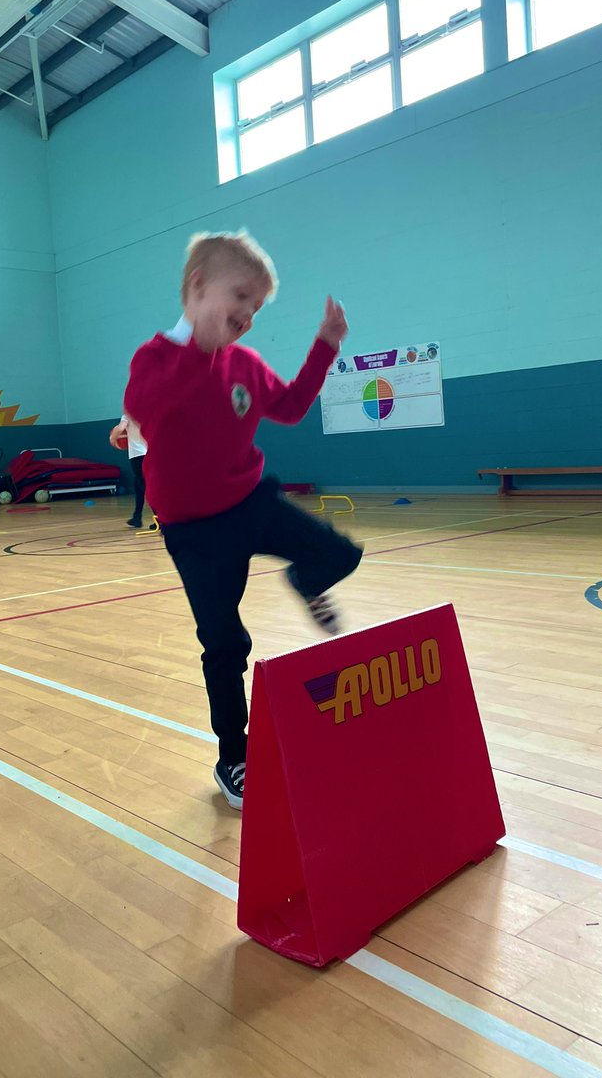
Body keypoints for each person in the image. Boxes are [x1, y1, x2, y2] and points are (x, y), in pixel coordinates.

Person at [123, 230, 363, 810]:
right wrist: (195, 353)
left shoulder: (245, 365)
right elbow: (145, 409)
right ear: (198, 287)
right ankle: (235, 755)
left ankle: (305, 581)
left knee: (340, 553)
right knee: (225, 642)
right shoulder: (155, 359)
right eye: (241, 299)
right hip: (193, 531)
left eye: (257, 308)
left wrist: (325, 346)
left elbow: (290, 407)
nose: (249, 316)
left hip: (249, 501)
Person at [109, 414, 148, 528]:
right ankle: (137, 517)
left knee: (143, 486)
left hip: (138, 455)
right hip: (149, 453)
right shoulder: (147, 414)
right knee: (138, 485)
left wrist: (112, 439)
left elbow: (120, 428)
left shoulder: (129, 414)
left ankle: (160, 518)